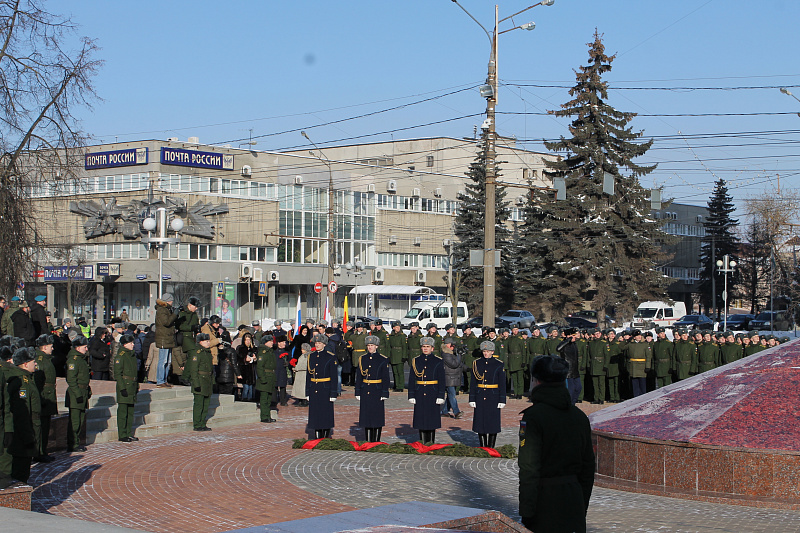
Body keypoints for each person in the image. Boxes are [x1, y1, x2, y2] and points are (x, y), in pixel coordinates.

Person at [519, 355, 595, 533]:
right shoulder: (579, 416)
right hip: (574, 499)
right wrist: (581, 504)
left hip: (545, 502)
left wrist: (527, 511)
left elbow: (529, 468)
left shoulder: (534, 416)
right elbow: (588, 467)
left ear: (537, 381)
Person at [3, 347, 40, 482]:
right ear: (25, 364)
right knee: (20, 475)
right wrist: (28, 437)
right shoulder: (22, 383)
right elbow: (22, 414)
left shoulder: (27, 379)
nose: (35, 364)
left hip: (27, 434)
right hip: (23, 437)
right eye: (32, 361)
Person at [407, 336, 446, 444]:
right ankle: (422, 441)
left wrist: (440, 395)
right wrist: (411, 395)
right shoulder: (416, 361)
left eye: (428, 347)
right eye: (424, 346)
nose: (425, 349)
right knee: (421, 418)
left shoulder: (438, 361)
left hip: (432, 392)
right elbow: (411, 380)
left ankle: (430, 442)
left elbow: (442, 380)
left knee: (431, 418)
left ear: (432, 348)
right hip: (419, 392)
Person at [469, 340, 506, 448]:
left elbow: (502, 384)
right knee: (480, 422)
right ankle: (483, 446)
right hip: (480, 395)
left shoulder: (499, 364)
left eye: (488, 351)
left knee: (492, 422)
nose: (486, 353)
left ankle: (491, 447)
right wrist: (472, 398)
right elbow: (473, 383)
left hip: (493, 396)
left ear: (492, 352)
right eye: (484, 351)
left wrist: (502, 399)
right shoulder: (477, 363)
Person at [355, 335, 390, 442]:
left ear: (377, 346)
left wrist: (385, 392)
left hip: (377, 390)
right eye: (368, 345)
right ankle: (367, 439)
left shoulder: (382, 359)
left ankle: (376, 440)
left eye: (372, 345)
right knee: (366, 416)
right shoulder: (362, 359)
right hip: (365, 389)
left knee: (377, 416)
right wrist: (357, 391)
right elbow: (359, 376)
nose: (370, 347)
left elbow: (385, 378)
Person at [307, 333, 337, 439]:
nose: (317, 345)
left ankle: (325, 435)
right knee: (315, 413)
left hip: (325, 389)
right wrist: (307, 391)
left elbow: (334, 377)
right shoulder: (311, 356)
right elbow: (308, 375)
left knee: (325, 413)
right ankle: (317, 435)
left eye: (319, 343)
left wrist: (333, 393)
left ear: (324, 344)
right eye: (316, 343)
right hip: (314, 388)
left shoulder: (330, 357)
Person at [33, 334, 57, 462]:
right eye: (51, 346)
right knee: (42, 426)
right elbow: (38, 382)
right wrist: (41, 399)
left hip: (48, 395)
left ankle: (43, 450)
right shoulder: (40, 360)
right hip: (44, 396)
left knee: (46, 425)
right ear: (45, 347)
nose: (52, 349)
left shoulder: (46, 359)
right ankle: (40, 452)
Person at [66, 335, 91, 452]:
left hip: (83, 391)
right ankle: (72, 444)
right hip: (76, 393)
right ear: (77, 347)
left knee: (80, 420)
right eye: (84, 347)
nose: (86, 349)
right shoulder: (74, 360)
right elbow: (71, 379)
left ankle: (76, 442)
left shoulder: (81, 359)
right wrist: (77, 394)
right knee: (75, 421)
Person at [114, 334, 139, 442]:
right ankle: (122, 434)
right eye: (131, 343)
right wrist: (122, 388)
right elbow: (118, 374)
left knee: (130, 411)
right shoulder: (121, 356)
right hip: (125, 385)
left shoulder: (132, 355)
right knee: (123, 412)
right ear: (125, 344)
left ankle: (128, 432)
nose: (133, 345)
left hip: (132, 385)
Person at [154, 293, 179, 388]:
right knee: (163, 360)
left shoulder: (166, 309)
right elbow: (166, 322)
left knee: (168, 361)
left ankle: (164, 380)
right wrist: (174, 314)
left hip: (167, 338)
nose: (172, 302)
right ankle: (160, 380)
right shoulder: (162, 310)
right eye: (171, 300)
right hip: (163, 338)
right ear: (168, 301)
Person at [190, 333, 214, 431]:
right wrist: (196, 383)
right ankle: (197, 424)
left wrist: (213, 381)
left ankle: (202, 423)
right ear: (200, 342)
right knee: (199, 404)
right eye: (206, 341)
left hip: (207, 380)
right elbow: (194, 370)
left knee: (206, 404)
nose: (208, 343)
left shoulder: (207, 352)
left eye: (208, 341)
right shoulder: (197, 353)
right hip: (200, 380)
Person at [557, 328, 582, 404]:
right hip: (568, 371)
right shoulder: (565, 344)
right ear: (569, 336)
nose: (575, 337)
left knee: (578, 388)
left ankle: (572, 405)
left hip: (575, 371)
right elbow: (558, 349)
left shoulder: (574, 344)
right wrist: (567, 340)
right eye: (573, 335)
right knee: (570, 391)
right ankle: (568, 406)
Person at [440, 337, 463, 419]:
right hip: (449, 378)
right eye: (452, 345)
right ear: (447, 345)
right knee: (452, 395)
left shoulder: (450, 353)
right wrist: (459, 355)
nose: (453, 347)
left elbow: (458, 364)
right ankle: (456, 412)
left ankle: (444, 411)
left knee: (450, 395)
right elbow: (454, 364)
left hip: (453, 377)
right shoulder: (446, 354)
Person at [256, 335, 276, 422]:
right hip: (265, 377)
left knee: (269, 399)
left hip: (270, 377)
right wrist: (263, 379)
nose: (272, 343)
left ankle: (268, 415)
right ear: (265, 342)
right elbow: (260, 367)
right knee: (264, 399)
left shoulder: (270, 352)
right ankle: (264, 416)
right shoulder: (263, 352)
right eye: (270, 341)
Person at [386, 321, 407, 392]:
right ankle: (396, 385)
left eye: (399, 327)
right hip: (393, 355)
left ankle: (400, 386)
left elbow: (404, 346)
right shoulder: (391, 336)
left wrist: (404, 356)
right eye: (396, 327)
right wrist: (388, 356)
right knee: (394, 372)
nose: (398, 328)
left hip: (400, 354)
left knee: (400, 372)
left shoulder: (402, 336)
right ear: (393, 328)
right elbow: (389, 346)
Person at [237, 332, 257, 401]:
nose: (248, 341)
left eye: (249, 340)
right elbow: (239, 359)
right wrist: (244, 359)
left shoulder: (253, 349)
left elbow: (256, 360)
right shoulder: (241, 348)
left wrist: (254, 359)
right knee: (246, 387)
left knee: (251, 387)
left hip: (251, 371)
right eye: (246, 340)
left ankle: (250, 399)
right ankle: (244, 399)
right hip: (244, 371)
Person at [274, 335, 290, 406]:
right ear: (278, 343)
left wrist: (288, 363)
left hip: (283, 370)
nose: (284, 343)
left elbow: (290, 359)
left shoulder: (286, 351)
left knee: (283, 386)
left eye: (285, 342)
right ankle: (274, 400)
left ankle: (283, 400)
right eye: (283, 342)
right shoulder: (274, 351)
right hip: (275, 370)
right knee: (274, 386)